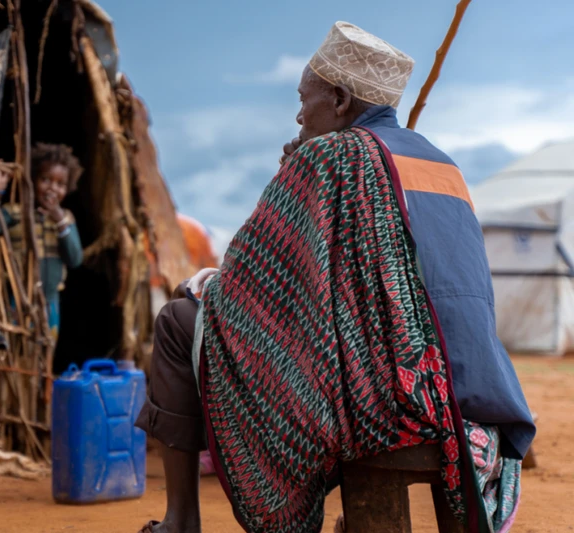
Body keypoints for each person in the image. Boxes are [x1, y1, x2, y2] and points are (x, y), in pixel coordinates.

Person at [134, 22, 535, 533]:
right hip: (471, 392)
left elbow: (248, 286)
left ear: (341, 99)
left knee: (177, 318)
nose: (300, 115)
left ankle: (181, 520)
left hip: (390, 397)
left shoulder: (330, 156)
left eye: (305, 99)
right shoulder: (443, 163)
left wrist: (205, 281)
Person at [4, 143, 84, 340]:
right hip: (17, 299)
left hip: (51, 303)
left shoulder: (66, 218)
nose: (52, 189)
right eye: (45, 180)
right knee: (15, 346)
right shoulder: (14, 213)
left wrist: (59, 221)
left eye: (60, 184)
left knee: (45, 349)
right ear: (32, 180)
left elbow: (75, 258)